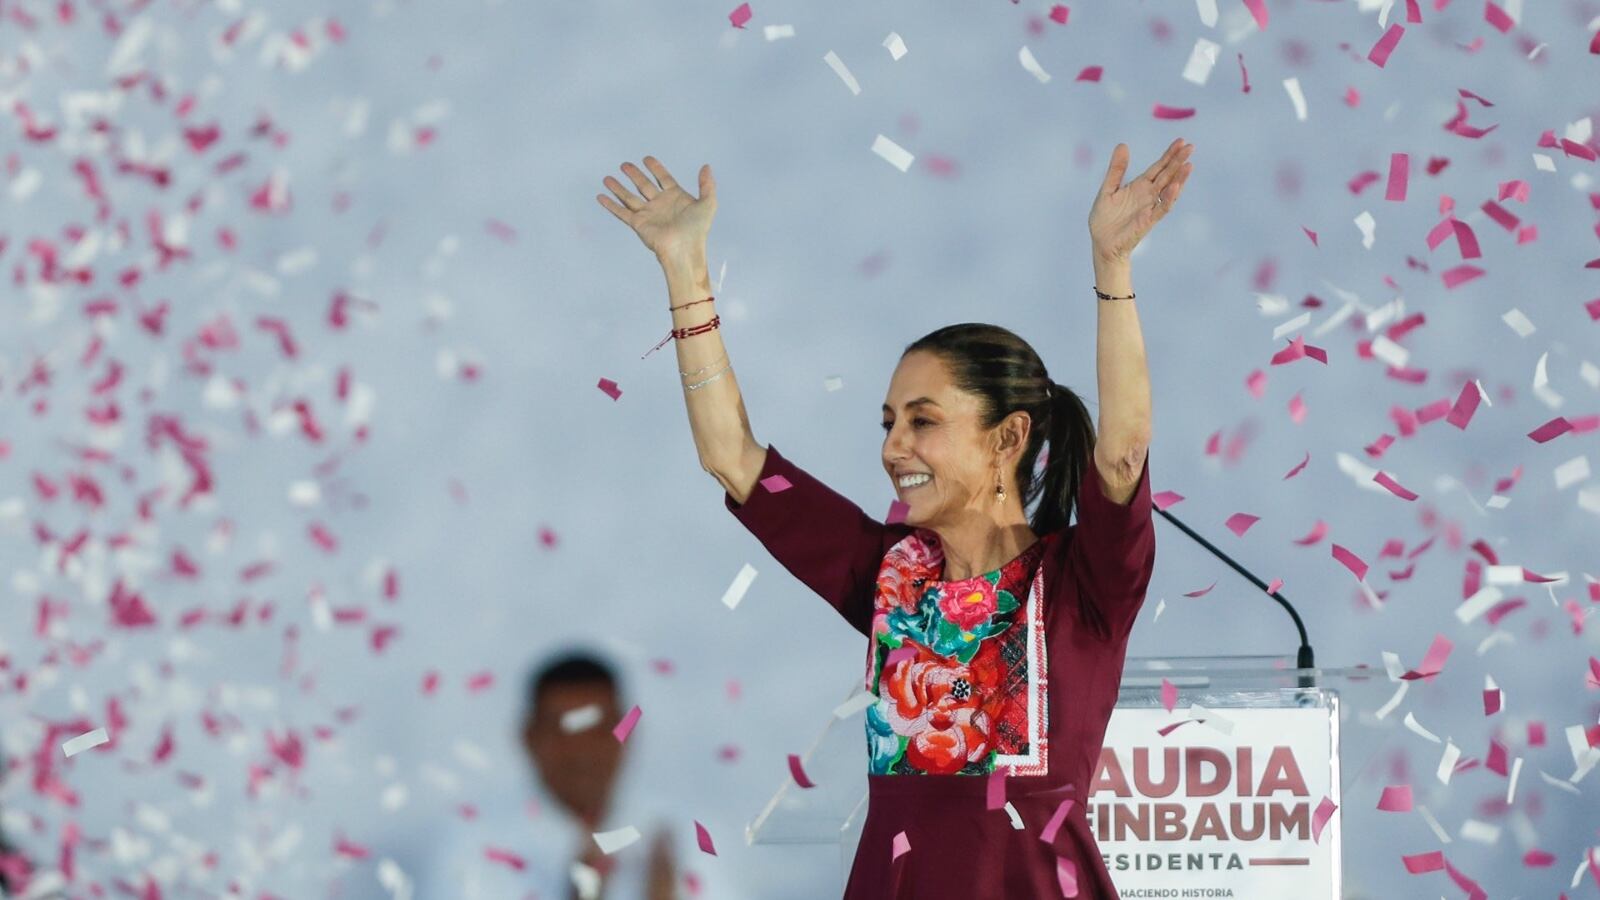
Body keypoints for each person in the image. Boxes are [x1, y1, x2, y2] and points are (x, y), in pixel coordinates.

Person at [594, 137, 1192, 898]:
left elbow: (1124, 450)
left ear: (1007, 438)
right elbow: (731, 458)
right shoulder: (889, 576)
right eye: (887, 423)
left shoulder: (1084, 586)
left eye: (922, 420)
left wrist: (1113, 271)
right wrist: (684, 270)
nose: (894, 447)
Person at [417, 651, 684, 900]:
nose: (582, 750)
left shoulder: (681, 842)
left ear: (629, 733)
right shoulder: (471, 852)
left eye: (599, 729)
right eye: (563, 729)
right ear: (528, 736)